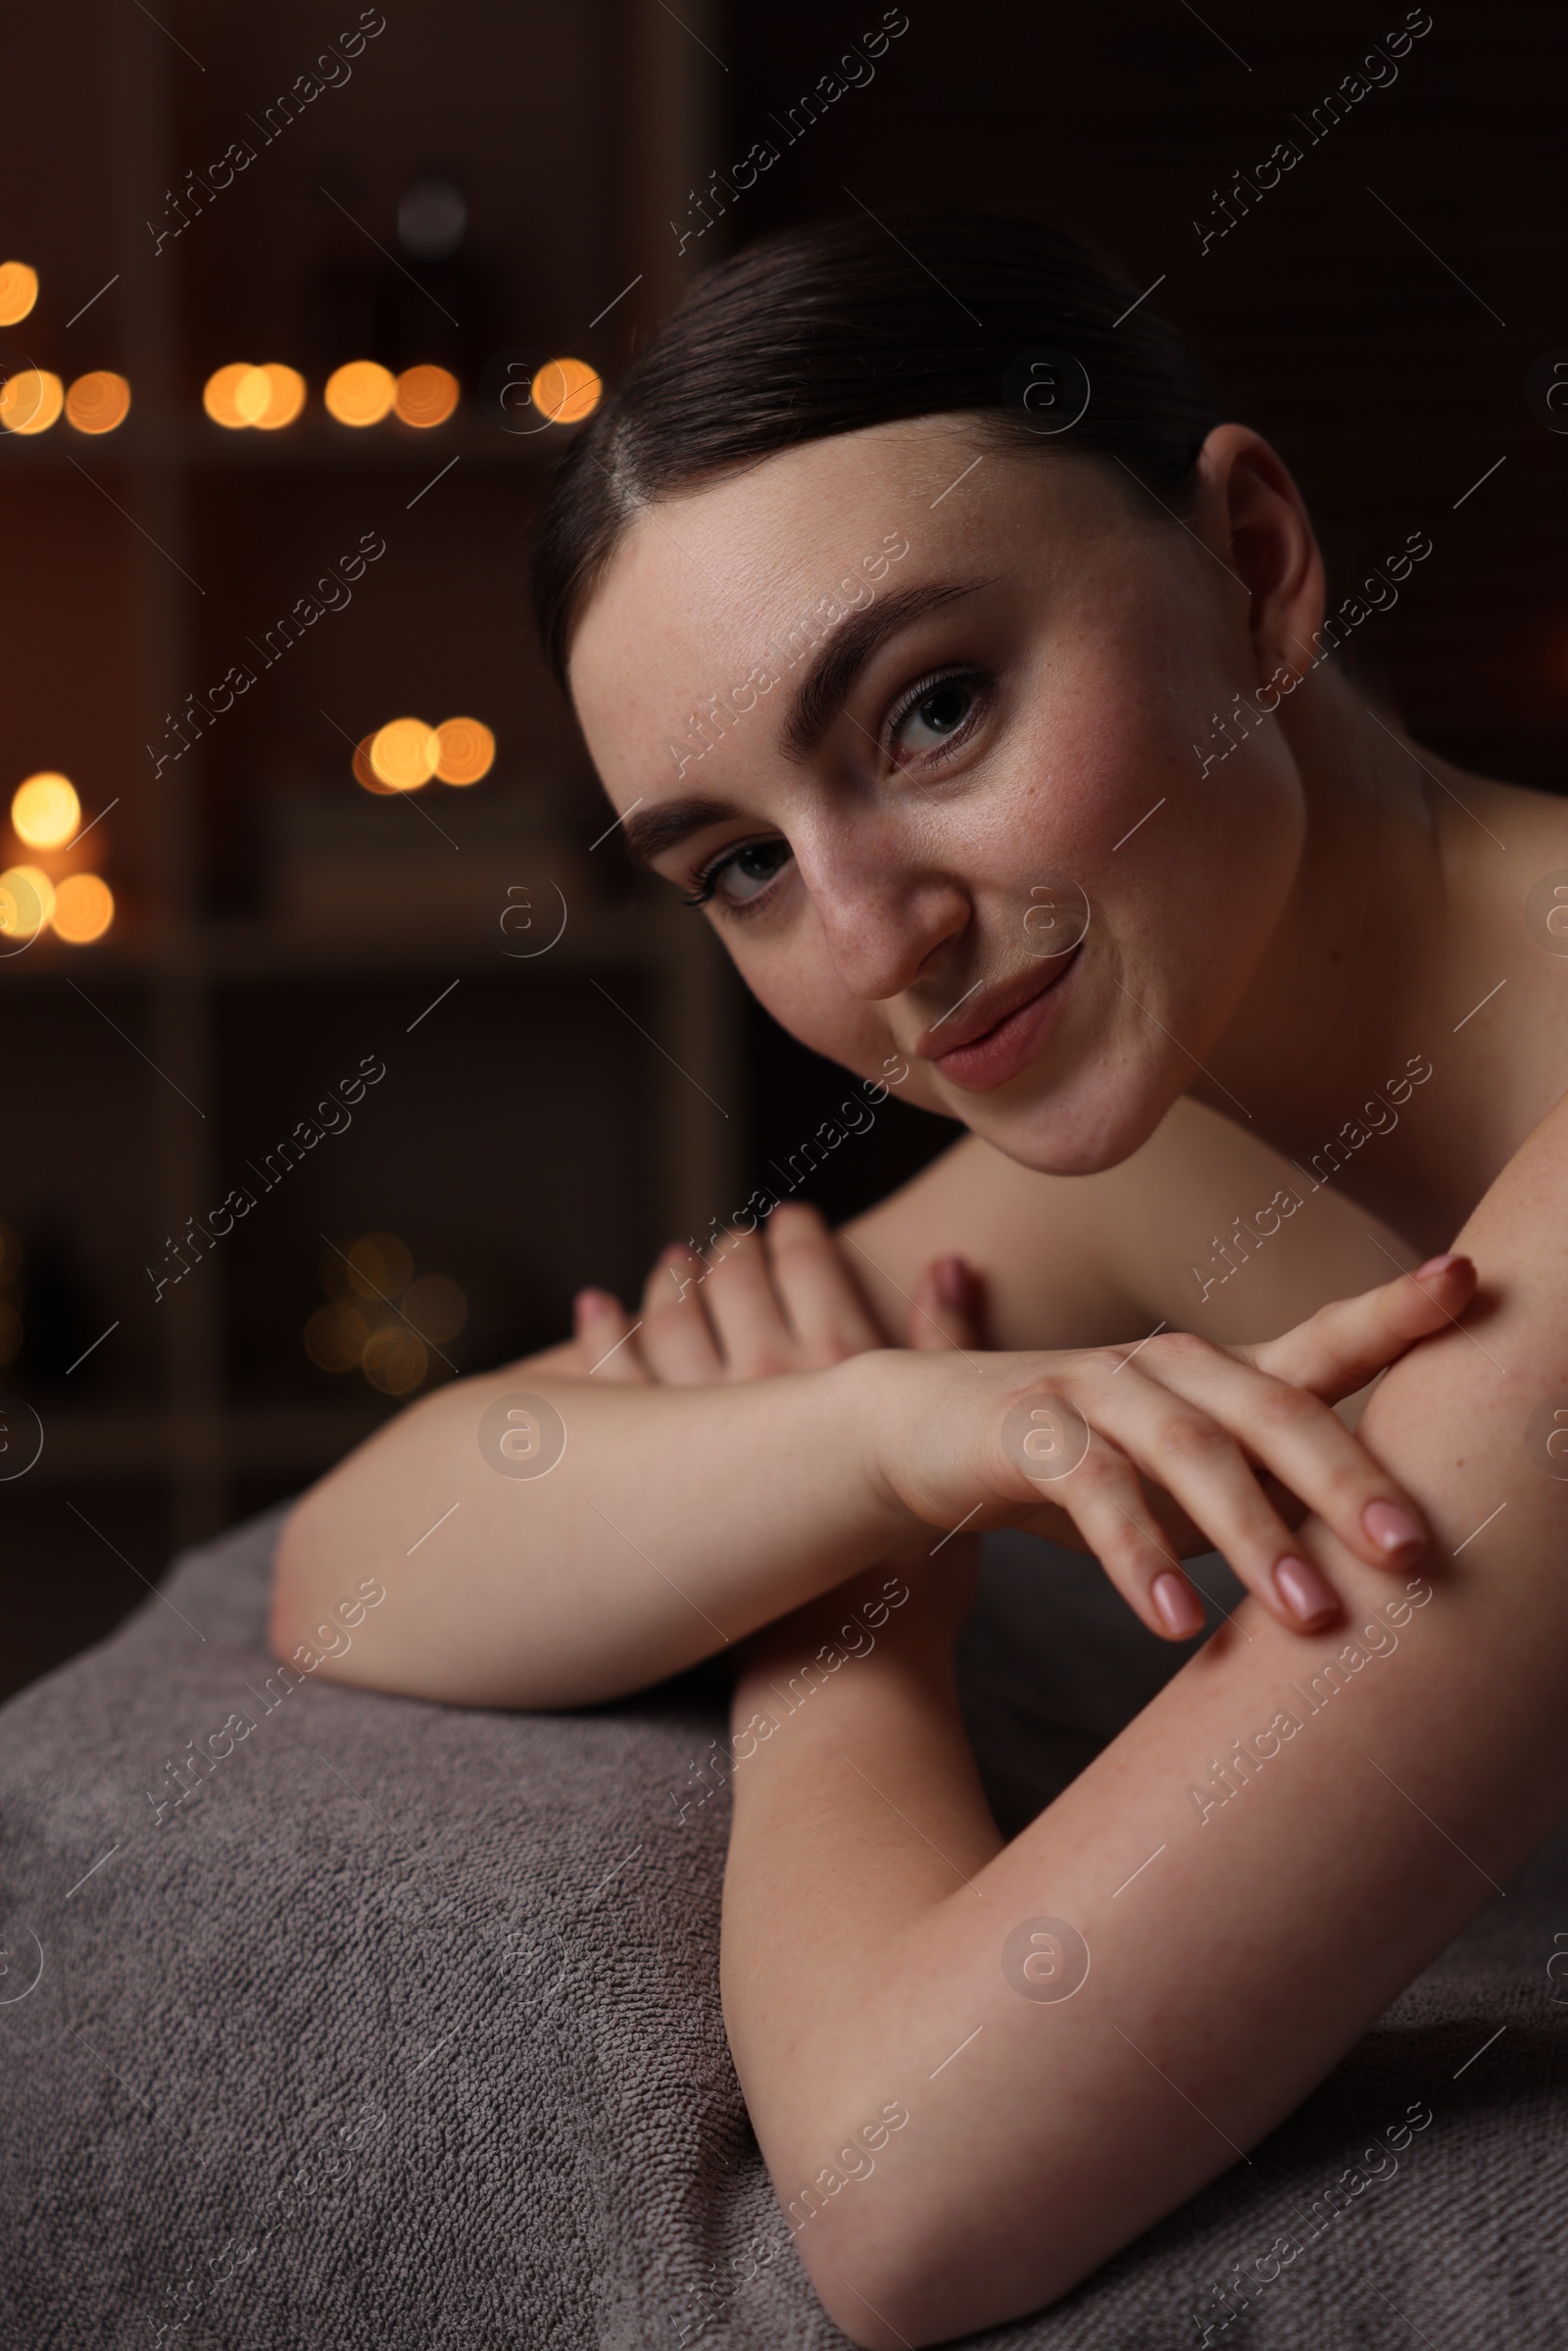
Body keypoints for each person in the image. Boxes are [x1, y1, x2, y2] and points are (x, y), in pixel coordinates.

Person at [272, 213, 1568, 2345]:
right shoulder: (1166, 1166)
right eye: (743, 865)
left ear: (1251, 563)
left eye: (932, 710)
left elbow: (899, 2194)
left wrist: (839, 1626)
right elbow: (360, 1568)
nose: (872, 946)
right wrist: (895, 1440)